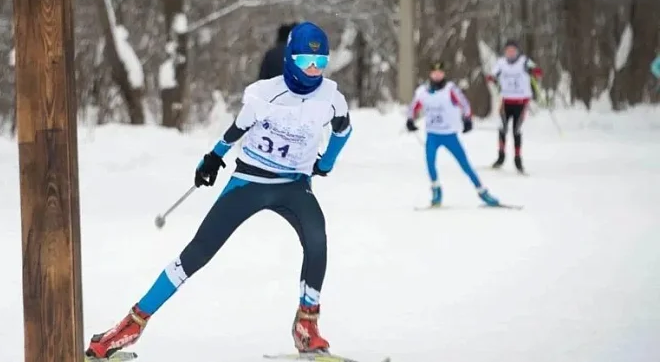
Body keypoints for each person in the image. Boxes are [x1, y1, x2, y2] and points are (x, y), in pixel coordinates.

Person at [86, 22, 352, 359]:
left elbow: (344, 132)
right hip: (250, 182)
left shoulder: (331, 98)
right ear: (289, 58)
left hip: (293, 186)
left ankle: (306, 325)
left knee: (317, 241)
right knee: (198, 252)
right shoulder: (262, 94)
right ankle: (129, 325)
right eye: (305, 62)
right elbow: (236, 130)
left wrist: (326, 162)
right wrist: (212, 159)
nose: (313, 71)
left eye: (320, 63)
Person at [406, 62, 500, 207]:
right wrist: (410, 120)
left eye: (440, 72)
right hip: (432, 135)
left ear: (444, 74)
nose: (437, 75)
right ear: (430, 74)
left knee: (465, 165)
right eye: (434, 72)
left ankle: (482, 192)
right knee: (430, 163)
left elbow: (465, 104)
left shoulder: (450, 89)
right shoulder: (422, 91)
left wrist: (467, 119)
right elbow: (413, 107)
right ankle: (436, 190)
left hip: (449, 134)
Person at [485, 40, 543, 173]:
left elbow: (538, 71)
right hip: (506, 101)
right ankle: (501, 157)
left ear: (517, 51)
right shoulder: (501, 62)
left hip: (521, 102)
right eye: (508, 50)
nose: (510, 53)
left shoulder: (524, 61)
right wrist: (491, 78)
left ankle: (518, 160)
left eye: (513, 50)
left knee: (516, 130)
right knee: (502, 128)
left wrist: (534, 71)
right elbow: (492, 75)